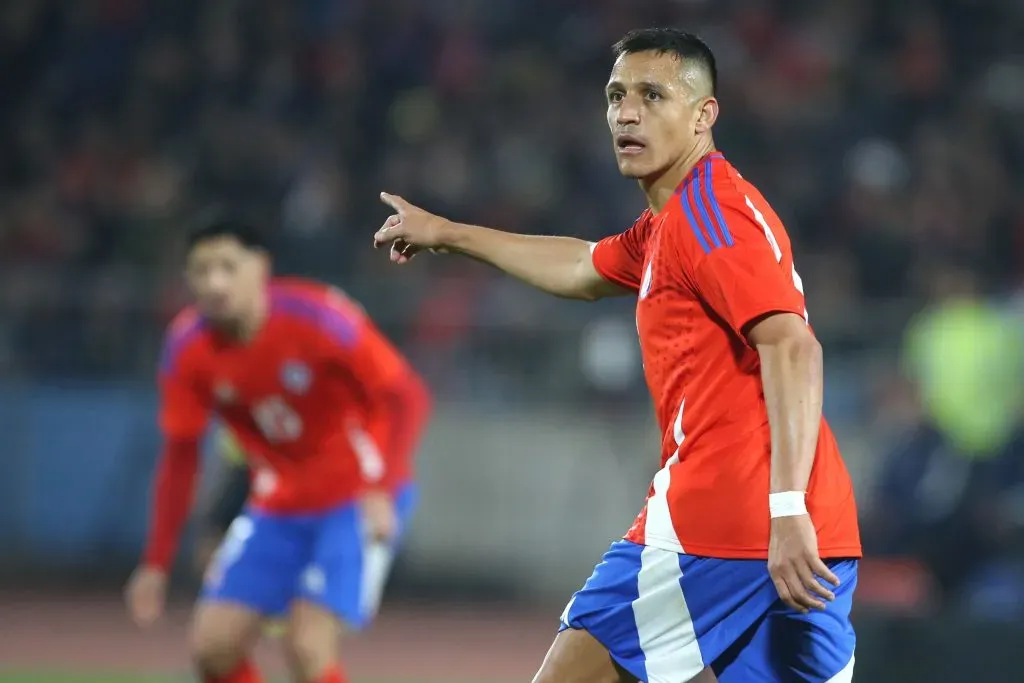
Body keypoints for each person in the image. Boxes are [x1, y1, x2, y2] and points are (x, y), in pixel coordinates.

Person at [373, 28, 860, 683]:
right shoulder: (673, 221)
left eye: (652, 95)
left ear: (704, 115)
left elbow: (793, 345)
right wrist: (447, 233)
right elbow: (582, 266)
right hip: (814, 522)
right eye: (616, 95)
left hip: (728, 515)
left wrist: (785, 507)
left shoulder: (708, 215)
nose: (626, 113)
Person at [125, 215, 432, 683]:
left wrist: (383, 486)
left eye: (228, 267)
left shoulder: (320, 316)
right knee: (213, 648)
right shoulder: (187, 348)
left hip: (354, 499)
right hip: (278, 504)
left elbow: (407, 396)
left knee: (307, 644)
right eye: (202, 270)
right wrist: (156, 561)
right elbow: (180, 458)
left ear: (260, 267)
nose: (215, 283)